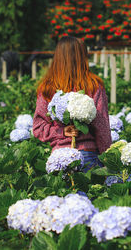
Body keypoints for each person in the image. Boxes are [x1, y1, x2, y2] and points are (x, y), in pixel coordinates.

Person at [33, 36, 112, 172]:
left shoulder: (47, 88)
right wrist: (108, 160)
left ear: (57, 56)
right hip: (88, 155)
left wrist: (61, 132)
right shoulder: (93, 86)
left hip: (59, 158)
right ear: (82, 56)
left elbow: (38, 127)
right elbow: (102, 126)